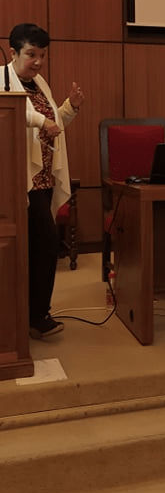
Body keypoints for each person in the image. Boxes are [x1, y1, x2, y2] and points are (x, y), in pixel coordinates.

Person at [1, 23, 84, 338]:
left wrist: (70, 108)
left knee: (38, 247)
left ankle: (33, 314)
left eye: (43, 55)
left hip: (44, 179)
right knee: (42, 245)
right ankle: (35, 316)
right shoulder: (1, 78)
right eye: (31, 54)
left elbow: (54, 124)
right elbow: (14, 113)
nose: (38, 62)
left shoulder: (39, 83)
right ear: (13, 53)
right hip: (18, 181)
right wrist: (42, 120)